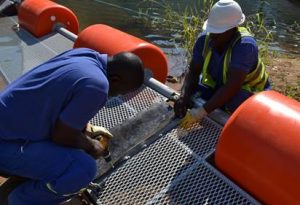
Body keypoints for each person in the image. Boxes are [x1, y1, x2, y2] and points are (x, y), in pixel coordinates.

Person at [0, 48, 144, 204]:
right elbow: (62, 135)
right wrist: (92, 145)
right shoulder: (98, 85)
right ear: (115, 79)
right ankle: (21, 200)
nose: (115, 96)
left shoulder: (85, 55)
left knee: (72, 147)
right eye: (119, 93)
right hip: (5, 144)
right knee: (82, 169)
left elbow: (60, 97)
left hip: (7, 128)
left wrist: (83, 129)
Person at [175, 0, 271, 128]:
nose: (213, 36)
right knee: (193, 91)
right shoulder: (205, 40)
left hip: (249, 93)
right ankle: (214, 109)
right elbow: (193, 71)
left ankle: (231, 126)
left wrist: (201, 112)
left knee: (233, 102)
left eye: (218, 33)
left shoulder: (245, 46)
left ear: (233, 29)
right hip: (221, 86)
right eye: (212, 31)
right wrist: (184, 96)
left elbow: (232, 86)